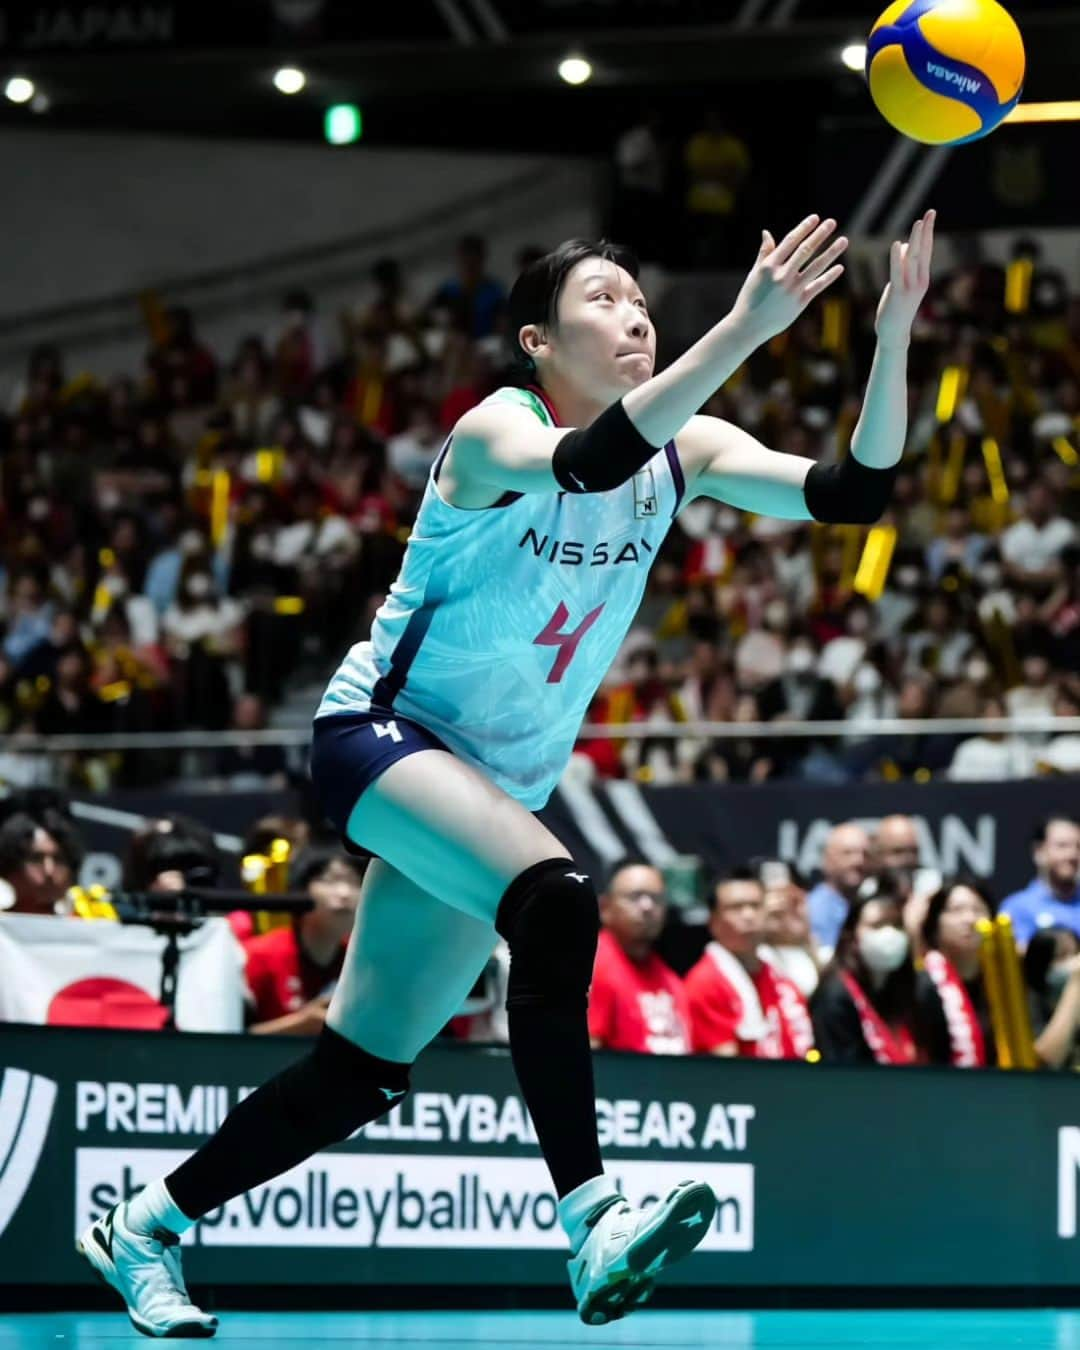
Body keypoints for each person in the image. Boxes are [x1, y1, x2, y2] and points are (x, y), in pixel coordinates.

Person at [80, 209, 936, 1334]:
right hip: (381, 737)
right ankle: (592, 1222)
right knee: (556, 899)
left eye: (639, 302)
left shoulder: (694, 450)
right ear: (537, 340)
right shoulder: (495, 431)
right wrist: (743, 324)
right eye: (603, 301)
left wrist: (893, 340)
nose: (631, 314)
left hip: (493, 788)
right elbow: (592, 461)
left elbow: (853, 494)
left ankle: (143, 1226)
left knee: (363, 1070)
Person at [683, 868, 815, 1059]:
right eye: (736, 908)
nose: (748, 915)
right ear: (713, 921)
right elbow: (727, 1074)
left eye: (756, 906)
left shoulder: (778, 972)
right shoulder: (706, 983)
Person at [244, 848, 364, 1036]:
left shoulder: (363, 961)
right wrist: (300, 1024)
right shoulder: (259, 955)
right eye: (330, 880)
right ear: (301, 889)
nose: (345, 893)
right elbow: (225, 1039)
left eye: (355, 882)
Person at [587, 858, 691, 1054]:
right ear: (605, 908)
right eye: (635, 897)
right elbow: (585, 1057)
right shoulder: (590, 968)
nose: (647, 906)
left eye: (656, 898)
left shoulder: (671, 981)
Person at [810, 885, 919, 1066]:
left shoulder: (903, 990)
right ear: (852, 936)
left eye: (896, 925)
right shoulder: (834, 995)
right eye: (877, 925)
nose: (889, 934)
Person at [912, 878, 996, 1068]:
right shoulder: (921, 986)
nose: (970, 919)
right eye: (957, 910)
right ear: (934, 924)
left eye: (978, 910)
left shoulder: (1004, 986)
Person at [1000, 815, 1080, 946]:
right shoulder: (1016, 908)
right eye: (1062, 846)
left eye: (1078, 846)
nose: (1072, 854)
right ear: (1039, 852)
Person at [805, 821, 872, 953]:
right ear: (827, 860)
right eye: (848, 853)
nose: (858, 861)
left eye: (865, 854)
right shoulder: (810, 910)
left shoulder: (874, 904)